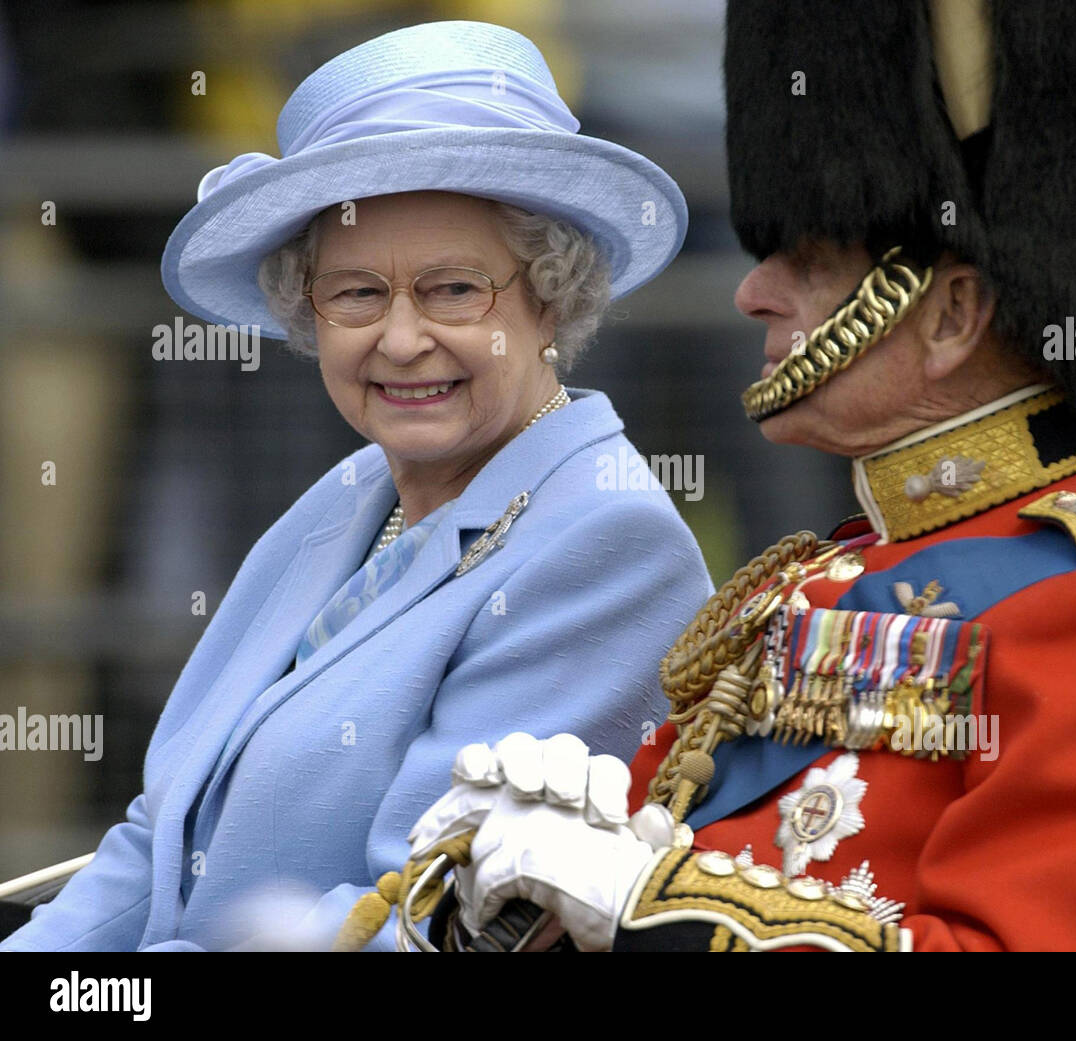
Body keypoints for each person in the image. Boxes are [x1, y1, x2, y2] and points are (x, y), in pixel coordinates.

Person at [406, 0, 1076, 952]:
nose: (752, 290)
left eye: (806, 263)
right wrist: (518, 888)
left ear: (950, 314)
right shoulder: (805, 581)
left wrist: (645, 907)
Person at [0, 21, 711, 952]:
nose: (402, 338)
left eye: (455, 290)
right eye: (358, 294)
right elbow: (158, 841)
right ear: (308, 313)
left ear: (551, 296)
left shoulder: (609, 543)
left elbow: (410, 918)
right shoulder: (350, 490)